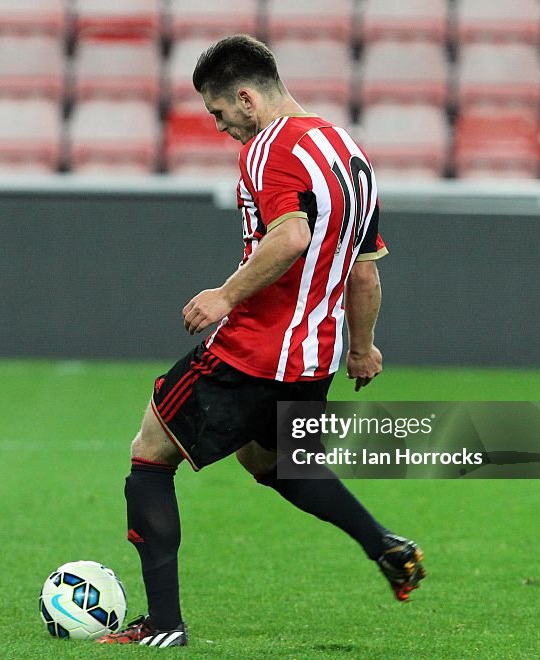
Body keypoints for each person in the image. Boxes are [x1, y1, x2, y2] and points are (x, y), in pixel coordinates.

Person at [97, 35, 425, 648]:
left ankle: (163, 626)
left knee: (148, 455)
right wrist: (363, 346)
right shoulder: (349, 152)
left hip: (254, 350)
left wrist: (224, 295)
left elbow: (290, 236)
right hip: (315, 359)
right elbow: (363, 267)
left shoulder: (269, 150)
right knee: (274, 463)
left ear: (247, 97)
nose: (221, 127)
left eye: (220, 113)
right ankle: (384, 544)